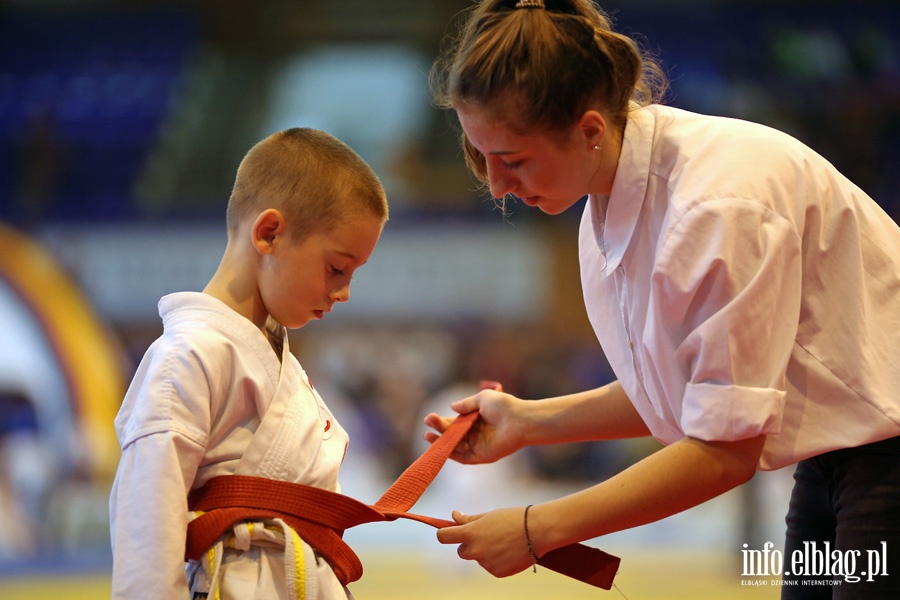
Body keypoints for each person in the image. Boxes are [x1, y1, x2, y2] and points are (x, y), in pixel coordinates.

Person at [423, 0, 900, 597]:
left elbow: (724, 452)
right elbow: (684, 393)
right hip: (833, 461)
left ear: (590, 129)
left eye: (512, 160)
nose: (494, 185)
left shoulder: (716, 206)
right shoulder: (608, 208)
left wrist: (536, 528)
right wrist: (528, 422)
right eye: (479, 156)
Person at [109, 128, 388, 599]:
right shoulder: (188, 355)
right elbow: (146, 524)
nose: (343, 293)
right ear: (269, 232)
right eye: (337, 268)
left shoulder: (275, 358)